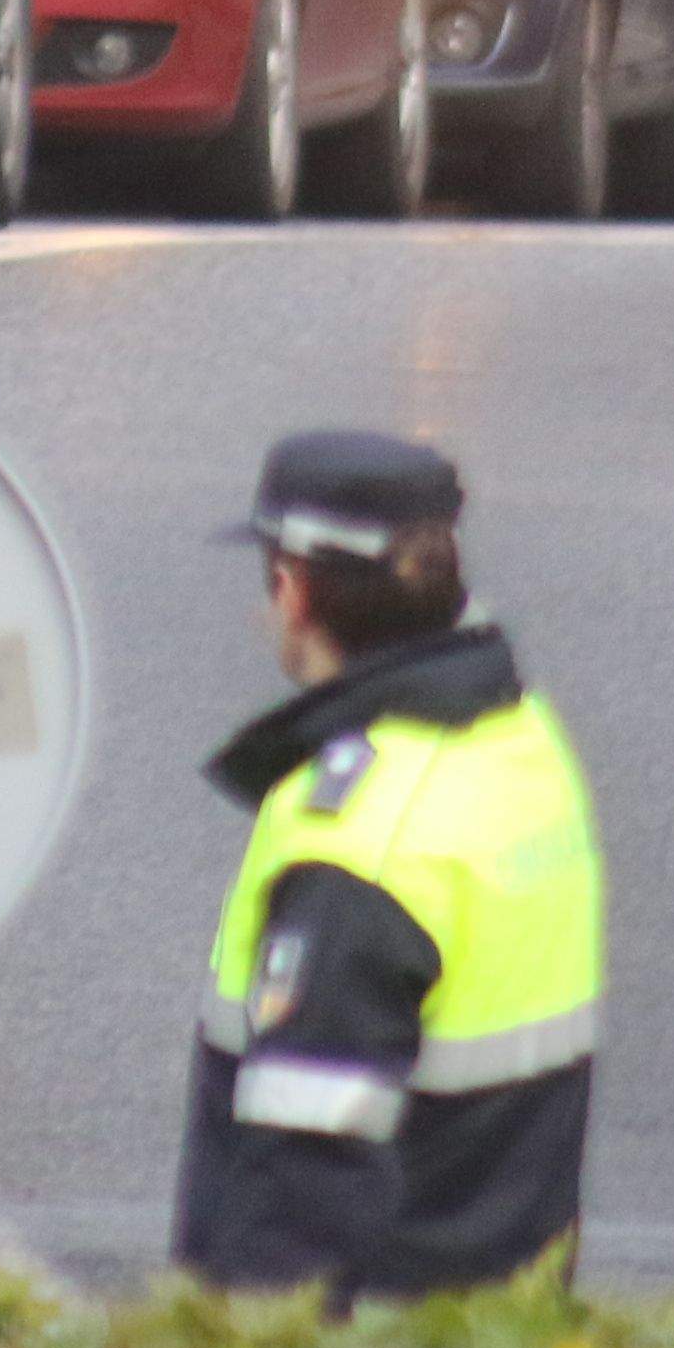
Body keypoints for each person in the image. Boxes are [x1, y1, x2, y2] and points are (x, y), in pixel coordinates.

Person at [174, 430, 600, 1302]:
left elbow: (300, 1188)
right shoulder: (518, 745)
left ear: (292, 591)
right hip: (503, 1330)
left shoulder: (360, 843)